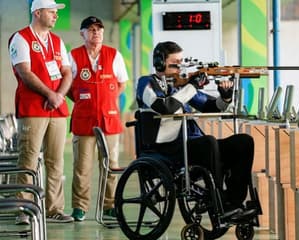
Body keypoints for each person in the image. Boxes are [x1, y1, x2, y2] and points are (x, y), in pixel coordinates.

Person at [136, 41, 256, 221]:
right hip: (167, 149)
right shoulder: (146, 83)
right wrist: (191, 86)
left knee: (244, 142)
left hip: (190, 144)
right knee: (208, 142)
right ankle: (218, 202)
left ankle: (233, 202)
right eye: (175, 63)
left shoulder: (179, 86)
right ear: (160, 62)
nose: (180, 67)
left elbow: (212, 107)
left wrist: (225, 96)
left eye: (182, 62)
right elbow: (165, 106)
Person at [8, 0, 74, 224]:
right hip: (33, 108)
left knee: (56, 161)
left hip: (57, 109)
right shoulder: (21, 38)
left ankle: (54, 209)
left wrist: (59, 96)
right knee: (28, 158)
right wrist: (50, 94)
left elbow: (67, 73)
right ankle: (23, 209)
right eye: (51, 11)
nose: (56, 15)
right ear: (37, 13)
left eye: (56, 12)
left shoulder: (57, 41)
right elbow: (24, 72)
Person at [67, 16, 129, 221]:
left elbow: (122, 83)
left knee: (111, 165)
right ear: (82, 33)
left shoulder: (114, 55)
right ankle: (79, 207)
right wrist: (82, 100)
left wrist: (107, 99)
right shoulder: (73, 56)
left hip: (109, 121)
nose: (96, 32)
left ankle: (109, 205)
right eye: (91, 29)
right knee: (82, 167)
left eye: (99, 29)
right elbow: (67, 86)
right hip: (84, 121)